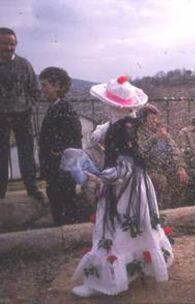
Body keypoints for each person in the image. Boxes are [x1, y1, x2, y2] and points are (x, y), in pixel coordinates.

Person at [72, 76, 174, 297]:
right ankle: (136, 268)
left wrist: (99, 176)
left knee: (110, 227)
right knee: (136, 225)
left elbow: (124, 166)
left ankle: (103, 281)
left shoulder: (121, 128)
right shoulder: (126, 123)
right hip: (137, 184)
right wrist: (105, 132)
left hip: (124, 185)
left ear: (112, 104)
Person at [0, 27, 43, 200]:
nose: (9, 47)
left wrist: (29, 106)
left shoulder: (24, 64)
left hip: (22, 116)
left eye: (12, 44)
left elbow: (35, 90)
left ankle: (32, 188)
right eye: (4, 43)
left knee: (26, 153)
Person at [38, 67, 83, 226]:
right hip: (57, 167)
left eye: (45, 85)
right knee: (59, 198)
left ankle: (68, 231)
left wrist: (58, 152)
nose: (42, 89)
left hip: (60, 168)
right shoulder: (56, 107)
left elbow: (73, 138)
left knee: (63, 200)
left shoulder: (64, 108)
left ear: (58, 86)